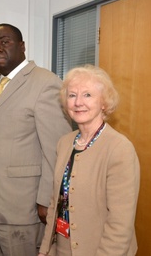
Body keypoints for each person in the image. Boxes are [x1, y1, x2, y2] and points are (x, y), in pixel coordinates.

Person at [0, 23, 72, 255]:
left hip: (22, 208)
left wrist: (46, 200)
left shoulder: (45, 83)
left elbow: (56, 150)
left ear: (22, 46)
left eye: (5, 42)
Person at [38, 65, 140, 256]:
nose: (78, 102)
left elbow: (120, 223)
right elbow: (55, 204)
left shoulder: (119, 149)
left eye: (87, 95)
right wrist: (45, 250)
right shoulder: (65, 143)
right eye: (72, 95)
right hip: (61, 247)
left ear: (104, 102)